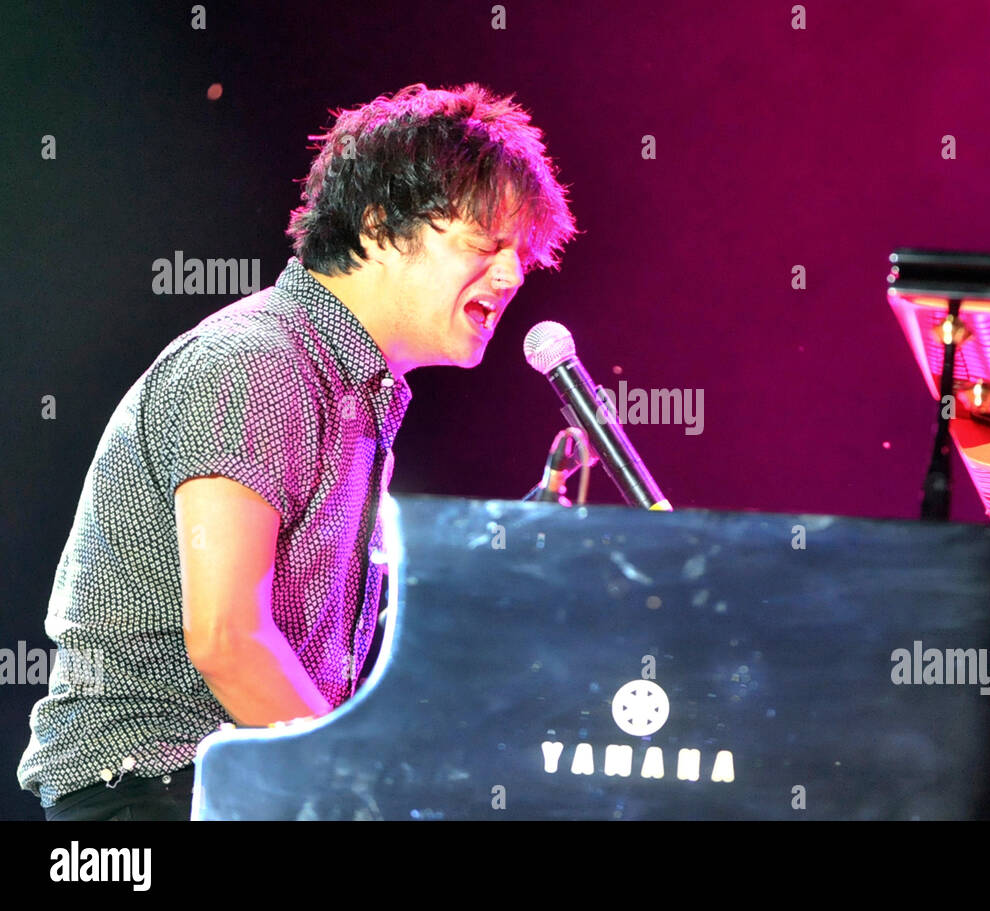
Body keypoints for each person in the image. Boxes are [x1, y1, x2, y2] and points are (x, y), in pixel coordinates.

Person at [18, 83, 578, 820]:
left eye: (521, 254)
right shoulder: (261, 362)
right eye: (483, 244)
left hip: (226, 787)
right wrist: (357, 789)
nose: (510, 277)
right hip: (153, 794)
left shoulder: (353, 392)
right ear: (378, 224)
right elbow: (227, 636)